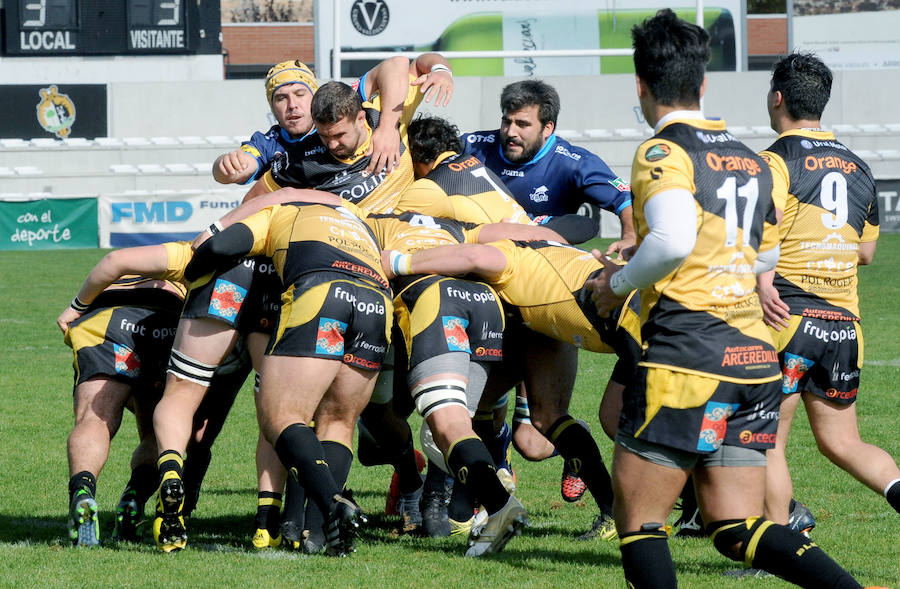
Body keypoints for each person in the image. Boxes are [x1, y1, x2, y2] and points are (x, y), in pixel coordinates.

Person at [587, 10, 865, 588]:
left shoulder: (662, 152)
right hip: (755, 359)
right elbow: (764, 258)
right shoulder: (748, 158)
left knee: (639, 521)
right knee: (734, 526)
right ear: (704, 83)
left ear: (640, 84)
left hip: (687, 353)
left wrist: (613, 288)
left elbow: (667, 241)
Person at [381, 236, 642, 545]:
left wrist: (398, 263)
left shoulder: (508, 253)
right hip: (555, 322)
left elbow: (473, 255)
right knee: (548, 417)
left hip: (633, 318)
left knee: (661, 428)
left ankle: (680, 516)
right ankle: (614, 512)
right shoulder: (542, 254)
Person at [186, 199, 395, 557]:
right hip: (377, 302)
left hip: (322, 294)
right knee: (339, 422)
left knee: (281, 416)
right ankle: (319, 533)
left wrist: (193, 270)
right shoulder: (358, 221)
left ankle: (333, 504)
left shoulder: (281, 210)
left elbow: (218, 247)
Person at [462, 80, 635, 513]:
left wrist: (631, 234)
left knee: (536, 441)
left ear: (548, 127)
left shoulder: (572, 162)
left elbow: (625, 199)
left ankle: (579, 465)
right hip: (492, 302)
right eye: (506, 120)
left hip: (543, 306)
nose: (510, 131)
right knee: (473, 403)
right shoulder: (474, 148)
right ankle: (478, 482)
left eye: (523, 123)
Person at [757, 52, 900, 525]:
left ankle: (775, 549)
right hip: (844, 324)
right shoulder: (860, 167)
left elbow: (759, 235)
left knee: (767, 442)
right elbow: (866, 253)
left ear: (777, 97)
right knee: (843, 442)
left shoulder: (774, 162)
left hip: (788, 318)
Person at [57, 243, 192, 547]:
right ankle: (134, 497)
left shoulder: (123, 272)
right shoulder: (183, 264)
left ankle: (82, 493)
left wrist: (76, 308)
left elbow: (113, 261)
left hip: (107, 317)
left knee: (96, 416)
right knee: (155, 429)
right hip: (166, 320)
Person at [213, 54, 453, 186]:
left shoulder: (342, 105)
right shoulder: (269, 143)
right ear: (272, 106)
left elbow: (397, 64)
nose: (292, 105)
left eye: (299, 94)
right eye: (281, 98)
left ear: (314, 94)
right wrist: (226, 166)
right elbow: (235, 170)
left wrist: (388, 128)